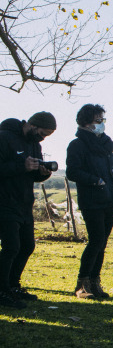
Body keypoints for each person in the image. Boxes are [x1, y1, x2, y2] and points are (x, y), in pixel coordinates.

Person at [65, 104, 113, 300]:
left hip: (108, 200)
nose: (101, 124)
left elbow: (112, 174)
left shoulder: (106, 146)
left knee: (102, 243)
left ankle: (95, 282)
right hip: (92, 200)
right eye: (98, 120)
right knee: (96, 241)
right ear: (86, 123)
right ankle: (82, 284)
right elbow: (72, 172)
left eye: (103, 120)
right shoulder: (77, 145)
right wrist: (94, 180)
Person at [0, 112, 57, 308]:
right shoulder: (4, 138)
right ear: (32, 125)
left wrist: (42, 173)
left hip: (24, 203)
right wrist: (21, 165)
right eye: (42, 133)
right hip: (4, 201)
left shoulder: (35, 145)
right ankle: (2, 290)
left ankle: (13, 286)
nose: (43, 138)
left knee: (27, 246)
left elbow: (32, 175)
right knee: (11, 247)